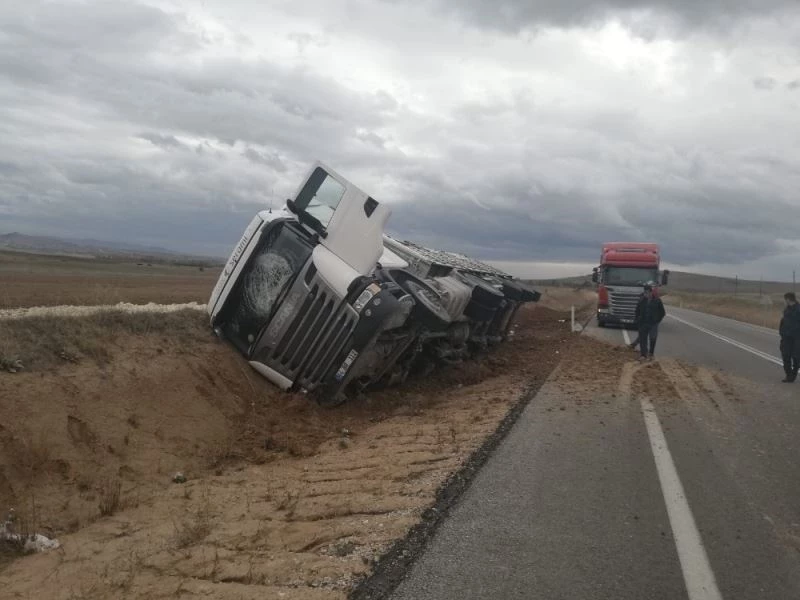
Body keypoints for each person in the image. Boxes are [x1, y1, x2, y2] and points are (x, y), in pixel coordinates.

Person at [634, 284, 666, 360]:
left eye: (648, 292)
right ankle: (643, 355)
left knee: (652, 338)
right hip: (643, 323)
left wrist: (657, 320)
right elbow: (637, 310)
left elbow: (662, 313)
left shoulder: (657, 301)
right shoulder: (641, 300)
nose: (646, 294)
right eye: (645, 292)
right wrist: (637, 319)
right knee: (643, 339)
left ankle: (651, 353)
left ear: (651, 292)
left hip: (653, 323)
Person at [779, 292, 800, 383]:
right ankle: (789, 375)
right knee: (785, 356)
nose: (785, 301)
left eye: (785, 299)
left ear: (788, 299)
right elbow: (783, 321)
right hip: (786, 337)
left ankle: (793, 375)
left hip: (797, 338)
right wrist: (781, 332)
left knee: (796, 358)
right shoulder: (786, 309)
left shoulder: (798, 309)